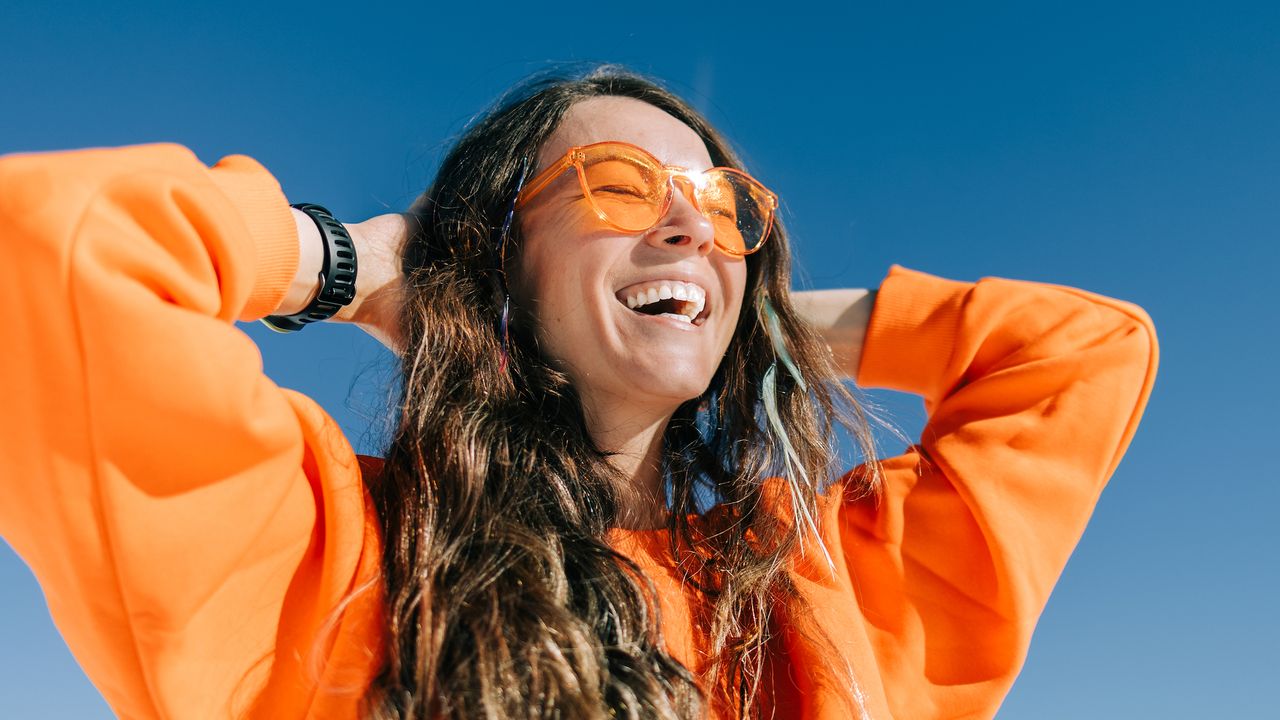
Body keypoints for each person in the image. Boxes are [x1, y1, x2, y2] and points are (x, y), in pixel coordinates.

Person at [0, 65, 1158, 719]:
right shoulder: (323, 553)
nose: (683, 224)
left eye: (725, 212)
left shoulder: (823, 577)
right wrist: (346, 264)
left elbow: (1083, 356)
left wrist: (741, 316)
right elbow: (41, 253)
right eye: (617, 184)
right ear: (495, 256)